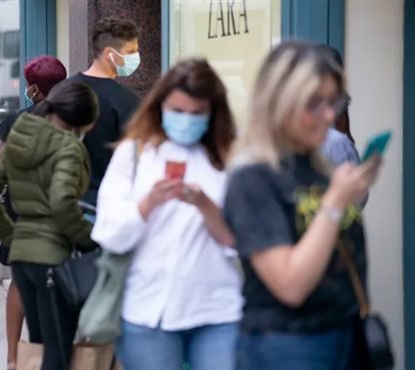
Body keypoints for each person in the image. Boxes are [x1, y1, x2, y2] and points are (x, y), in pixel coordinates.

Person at [224, 41, 382, 369]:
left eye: (333, 101)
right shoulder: (253, 176)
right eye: (314, 103)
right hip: (289, 345)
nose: (329, 114)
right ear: (280, 102)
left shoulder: (316, 167)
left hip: (343, 333)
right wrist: (336, 203)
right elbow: (290, 285)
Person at [91, 59, 242, 370]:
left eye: (197, 113)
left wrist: (205, 206)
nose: (186, 120)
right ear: (160, 106)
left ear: (213, 113)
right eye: (177, 111)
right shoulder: (135, 153)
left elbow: (243, 240)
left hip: (218, 309)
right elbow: (109, 233)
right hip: (148, 308)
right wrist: (147, 204)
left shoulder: (228, 159)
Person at [0, 80, 98, 370]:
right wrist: (89, 241)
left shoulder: (18, 139)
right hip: (53, 260)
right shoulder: (68, 147)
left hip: (22, 259)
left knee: (41, 346)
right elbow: (62, 202)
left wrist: (11, 236)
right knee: (57, 354)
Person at [0, 55, 67, 370]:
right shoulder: (74, 119)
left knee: (20, 281)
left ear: (36, 89)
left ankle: (14, 357)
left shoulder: (16, 121)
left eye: (29, 85)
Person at [69, 17, 141, 206]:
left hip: (63, 206)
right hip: (107, 206)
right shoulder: (128, 101)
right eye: (131, 52)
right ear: (109, 53)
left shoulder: (62, 91)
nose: (136, 57)